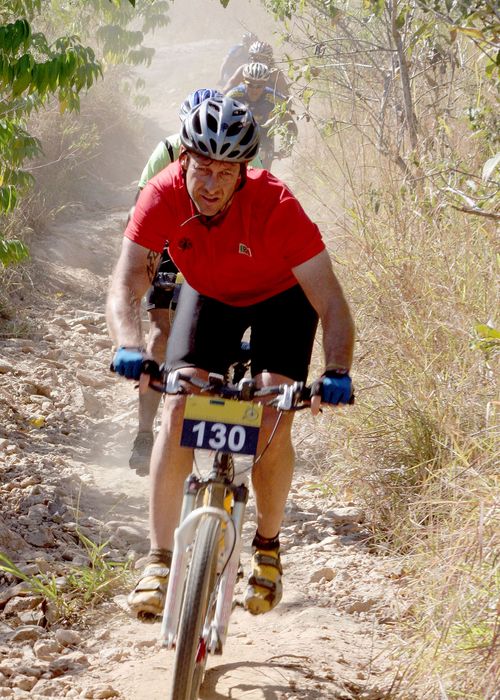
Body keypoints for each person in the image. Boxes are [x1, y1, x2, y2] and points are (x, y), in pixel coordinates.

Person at [106, 96, 355, 620]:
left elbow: (331, 302)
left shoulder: (278, 207)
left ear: (245, 172)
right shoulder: (163, 196)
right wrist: (130, 345)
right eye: (202, 168)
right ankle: (159, 560)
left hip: (281, 299)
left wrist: (335, 370)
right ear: (184, 161)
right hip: (209, 294)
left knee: (272, 412)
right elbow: (128, 281)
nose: (212, 184)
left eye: (226, 171)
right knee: (178, 403)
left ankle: (266, 548)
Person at [128, 88, 223, 476]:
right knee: (159, 334)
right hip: (169, 245)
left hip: (219, 246)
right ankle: (144, 433)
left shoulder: (242, 152)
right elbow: (141, 209)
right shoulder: (165, 151)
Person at [227, 62, 297, 170]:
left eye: (259, 86)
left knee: (263, 170)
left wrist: (286, 148)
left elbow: (291, 126)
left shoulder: (274, 99)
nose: (254, 90)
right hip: (240, 138)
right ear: (243, 81)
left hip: (264, 138)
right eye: (250, 85)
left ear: (265, 84)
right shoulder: (233, 96)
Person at [223, 40, 289, 98]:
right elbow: (227, 89)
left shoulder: (275, 73)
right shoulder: (244, 69)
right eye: (254, 59)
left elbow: (286, 97)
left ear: (269, 60)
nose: (257, 62)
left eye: (261, 59)